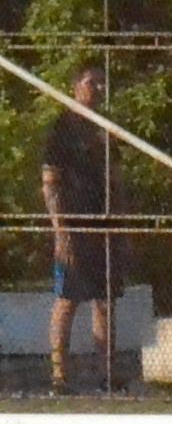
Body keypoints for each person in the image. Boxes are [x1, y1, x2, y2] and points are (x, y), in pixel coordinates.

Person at [41, 53, 119, 394]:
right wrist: (61, 233)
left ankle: (108, 374)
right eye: (91, 83)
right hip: (74, 227)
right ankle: (60, 375)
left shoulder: (105, 129)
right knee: (67, 299)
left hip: (105, 227)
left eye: (102, 83)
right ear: (75, 88)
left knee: (105, 301)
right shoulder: (62, 128)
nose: (97, 89)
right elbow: (50, 183)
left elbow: (116, 178)